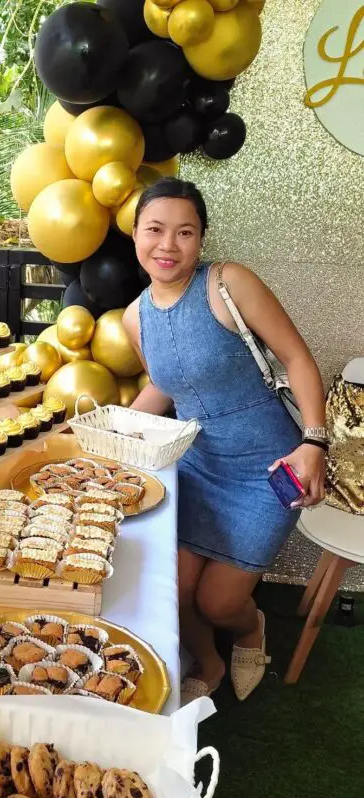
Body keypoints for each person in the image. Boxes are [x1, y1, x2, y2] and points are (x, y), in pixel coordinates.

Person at [122, 177, 327, 702]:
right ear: (136, 234)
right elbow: (166, 389)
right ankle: (208, 663)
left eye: (184, 232)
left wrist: (314, 442)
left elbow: (298, 359)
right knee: (177, 591)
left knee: (217, 602)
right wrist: (107, 430)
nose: (168, 245)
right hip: (196, 466)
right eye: (156, 230)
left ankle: (251, 628)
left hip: (267, 468)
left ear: (201, 238)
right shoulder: (134, 317)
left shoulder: (229, 283)